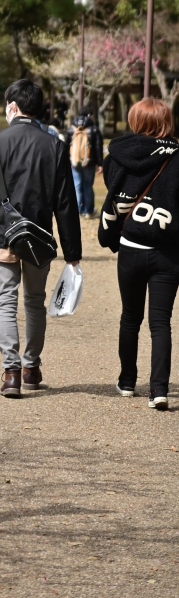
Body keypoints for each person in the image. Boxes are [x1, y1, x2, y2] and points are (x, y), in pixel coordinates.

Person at [0, 78, 82, 398]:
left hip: (2, 236)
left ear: (12, 107)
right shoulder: (54, 146)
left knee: (5, 302)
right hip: (39, 238)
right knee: (35, 301)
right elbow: (65, 204)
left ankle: (11, 374)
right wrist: (72, 252)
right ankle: (31, 368)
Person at [97, 97, 179, 410]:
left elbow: (111, 187)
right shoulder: (177, 157)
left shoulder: (118, 156)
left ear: (135, 121)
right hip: (168, 252)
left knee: (130, 317)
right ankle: (158, 390)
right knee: (161, 322)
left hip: (131, 247)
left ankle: (127, 381)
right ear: (166, 122)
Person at [64, 113, 104, 218]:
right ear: (89, 115)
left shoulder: (71, 129)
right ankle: (89, 211)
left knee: (77, 186)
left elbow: (65, 145)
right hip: (89, 163)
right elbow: (98, 147)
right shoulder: (94, 129)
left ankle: (78, 210)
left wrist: (66, 161)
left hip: (74, 161)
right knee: (88, 186)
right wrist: (100, 164)